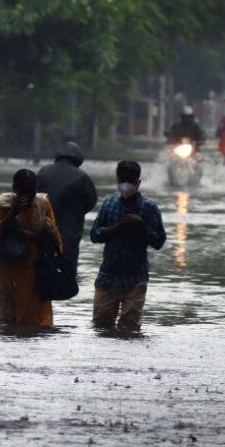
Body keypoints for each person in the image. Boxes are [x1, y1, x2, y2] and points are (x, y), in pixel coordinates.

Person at [89, 161, 166, 332]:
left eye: (131, 181)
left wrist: (142, 226)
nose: (126, 185)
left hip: (135, 279)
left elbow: (159, 241)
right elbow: (94, 235)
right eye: (123, 180)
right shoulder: (109, 205)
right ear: (118, 181)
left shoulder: (148, 208)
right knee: (101, 327)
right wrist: (115, 228)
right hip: (108, 277)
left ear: (138, 182)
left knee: (130, 328)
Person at [0, 169, 62, 326]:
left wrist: (36, 237)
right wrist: (12, 213)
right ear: (15, 188)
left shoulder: (42, 203)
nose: (28, 194)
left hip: (35, 272)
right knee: (9, 322)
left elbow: (54, 235)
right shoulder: (4, 203)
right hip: (8, 273)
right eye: (24, 189)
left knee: (39, 322)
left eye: (32, 190)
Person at [35, 141, 97, 277]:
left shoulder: (44, 171)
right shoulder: (82, 177)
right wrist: (75, 212)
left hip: (42, 231)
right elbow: (91, 201)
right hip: (69, 233)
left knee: (40, 274)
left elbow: (34, 197)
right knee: (66, 277)